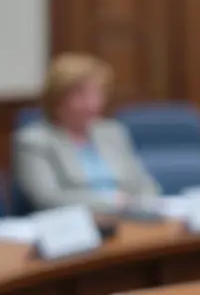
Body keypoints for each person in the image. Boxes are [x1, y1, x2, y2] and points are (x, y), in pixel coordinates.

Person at [14, 53, 160, 213]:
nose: (92, 103)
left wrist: (146, 203)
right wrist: (110, 202)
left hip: (129, 220)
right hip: (73, 226)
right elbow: (48, 198)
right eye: (81, 95)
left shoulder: (112, 132)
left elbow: (144, 184)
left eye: (98, 93)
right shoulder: (34, 140)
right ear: (57, 99)